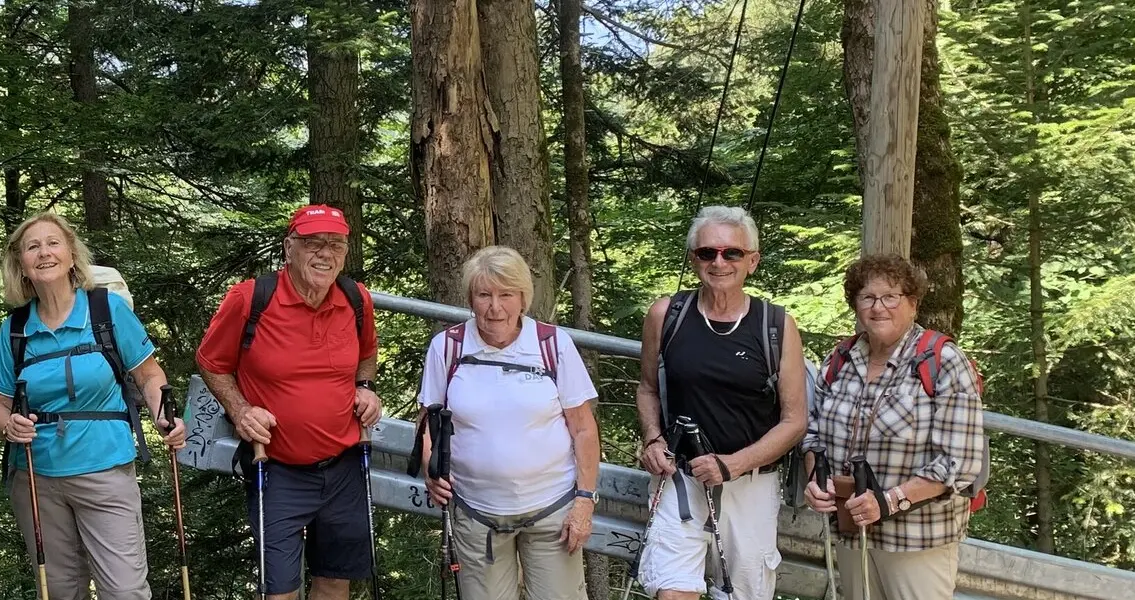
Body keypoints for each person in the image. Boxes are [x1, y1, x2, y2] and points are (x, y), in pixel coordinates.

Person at [0, 212, 187, 600]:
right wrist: (8, 424)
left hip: (106, 470)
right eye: (33, 246)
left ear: (73, 255)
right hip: (36, 478)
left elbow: (149, 376)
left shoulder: (106, 311)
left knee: (125, 591)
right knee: (59, 591)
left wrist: (166, 418)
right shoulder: (14, 330)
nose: (44, 252)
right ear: (21, 264)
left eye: (53, 243)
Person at [195, 204, 381, 600]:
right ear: (289, 248)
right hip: (276, 468)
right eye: (313, 243)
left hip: (343, 465)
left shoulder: (355, 299)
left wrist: (365, 386)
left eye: (336, 244)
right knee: (279, 590)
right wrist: (240, 410)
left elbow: (367, 352)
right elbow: (211, 361)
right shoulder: (251, 299)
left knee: (334, 582)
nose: (325, 254)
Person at [632, 206, 807, 600]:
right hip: (680, 476)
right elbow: (646, 388)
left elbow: (795, 420)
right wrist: (653, 440)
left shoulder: (776, 326)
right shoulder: (666, 314)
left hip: (750, 482)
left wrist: (733, 464)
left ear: (752, 261)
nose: (719, 261)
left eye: (732, 253)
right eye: (706, 252)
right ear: (693, 259)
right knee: (672, 592)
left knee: (744, 592)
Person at [419, 246, 601, 600]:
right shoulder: (448, 348)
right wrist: (430, 467)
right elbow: (427, 422)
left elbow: (583, 428)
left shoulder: (553, 345)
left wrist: (584, 501)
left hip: (553, 512)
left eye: (506, 295)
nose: (495, 307)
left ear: (523, 298)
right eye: (484, 295)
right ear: (471, 299)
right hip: (476, 513)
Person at [802, 255, 986, 600]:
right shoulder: (840, 358)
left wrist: (887, 503)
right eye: (867, 297)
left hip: (917, 539)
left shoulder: (942, 361)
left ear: (913, 304)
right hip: (851, 530)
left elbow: (959, 462)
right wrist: (816, 480)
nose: (878, 307)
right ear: (855, 304)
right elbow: (813, 436)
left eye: (891, 297)